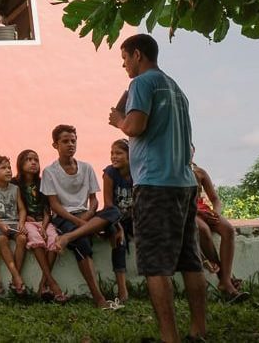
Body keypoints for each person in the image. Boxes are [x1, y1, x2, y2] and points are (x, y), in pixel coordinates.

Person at [109, 33, 207, 342]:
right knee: (190, 260)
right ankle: (198, 331)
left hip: (155, 184)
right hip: (184, 183)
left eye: (125, 58)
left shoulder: (141, 83)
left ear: (137, 55)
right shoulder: (176, 89)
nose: (124, 65)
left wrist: (117, 121)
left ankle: (169, 338)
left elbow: (135, 126)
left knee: (155, 266)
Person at [42, 124, 115, 308]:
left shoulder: (86, 168)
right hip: (64, 217)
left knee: (113, 212)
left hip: (86, 216)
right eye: (65, 141)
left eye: (73, 140)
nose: (70, 144)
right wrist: (81, 222)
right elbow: (55, 206)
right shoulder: (50, 172)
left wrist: (89, 215)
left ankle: (69, 237)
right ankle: (98, 298)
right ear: (55, 145)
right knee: (82, 242)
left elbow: (94, 200)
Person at [192, 147, 248, 302]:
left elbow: (215, 199)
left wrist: (215, 213)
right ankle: (226, 280)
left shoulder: (199, 173)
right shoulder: (174, 172)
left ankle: (225, 281)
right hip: (189, 211)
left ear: (193, 151)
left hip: (204, 210)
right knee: (202, 229)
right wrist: (199, 213)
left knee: (228, 230)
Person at [14, 149, 66, 302]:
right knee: (36, 239)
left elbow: (47, 210)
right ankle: (52, 283)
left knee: (53, 240)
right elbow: (15, 207)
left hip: (43, 221)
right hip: (27, 222)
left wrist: (44, 226)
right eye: (28, 159)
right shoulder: (15, 184)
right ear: (20, 164)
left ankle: (43, 285)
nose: (33, 162)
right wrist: (23, 220)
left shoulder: (43, 182)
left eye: (36, 159)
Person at [0, 155, 28, 296]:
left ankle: (14, 276)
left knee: (22, 239)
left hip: (14, 223)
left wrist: (21, 223)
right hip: (0, 225)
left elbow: (22, 209)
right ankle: (17, 277)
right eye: (3, 168)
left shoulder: (15, 189)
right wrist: (0, 225)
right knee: (2, 240)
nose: (8, 171)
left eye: (9, 168)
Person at [103, 139, 135, 302]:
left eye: (119, 153)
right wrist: (119, 226)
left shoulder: (138, 172)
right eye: (112, 153)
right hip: (114, 217)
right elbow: (108, 204)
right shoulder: (110, 173)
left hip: (134, 217)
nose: (114, 157)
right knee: (118, 242)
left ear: (130, 155)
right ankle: (122, 290)